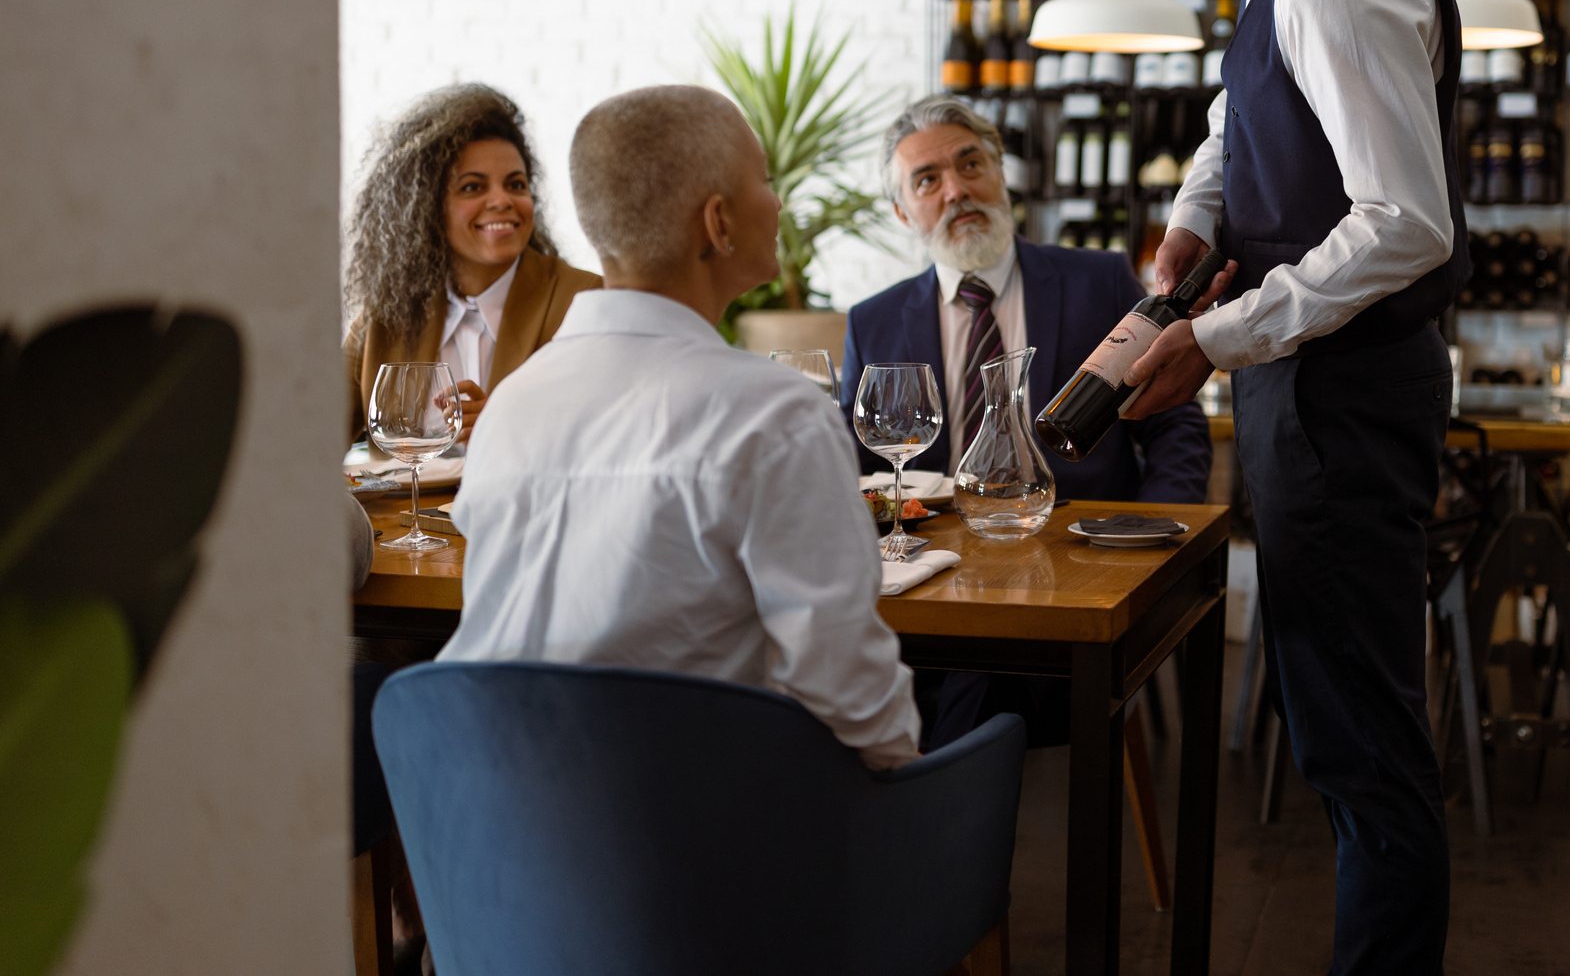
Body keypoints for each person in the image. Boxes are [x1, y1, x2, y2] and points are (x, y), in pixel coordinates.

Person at [1103, 0, 1469, 974]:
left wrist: (1214, 334)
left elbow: (1405, 221)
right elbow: (1241, 120)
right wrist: (1197, 221)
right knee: (1340, 732)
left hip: (1342, 394)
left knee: (1362, 748)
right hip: (1311, 388)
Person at [438, 85, 920, 770]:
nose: (778, 203)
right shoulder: (776, 415)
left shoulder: (511, 407)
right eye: (764, 180)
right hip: (695, 850)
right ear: (718, 222)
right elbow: (855, 708)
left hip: (506, 842)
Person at [840, 94, 1213, 745]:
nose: (956, 190)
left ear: (1000, 171)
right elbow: (861, 463)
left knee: (967, 685)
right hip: (933, 584)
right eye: (928, 180)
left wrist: (1152, 538)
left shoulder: (1096, 281)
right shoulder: (872, 322)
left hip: (1079, 576)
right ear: (903, 211)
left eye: (970, 163)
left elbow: (1172, 417)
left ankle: (935, 813)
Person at [342, 83, 600, 446]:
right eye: (472, 187)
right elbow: (304, 442)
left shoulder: (586, 301)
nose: (502, 200)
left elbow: (615, 434)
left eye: (516, 184)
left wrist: (513, 425)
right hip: (403, 507)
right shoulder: (385, 318)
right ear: (427, 208)